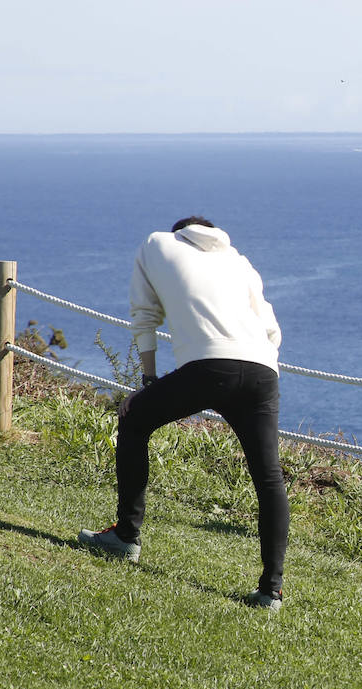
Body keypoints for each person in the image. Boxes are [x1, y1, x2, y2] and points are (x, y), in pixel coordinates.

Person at [79, 216, 289, 610]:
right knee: (269, 477)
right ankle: (271, 591)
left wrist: (149, 379)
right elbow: (271, 329)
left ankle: (125, 538)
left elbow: (144, 314)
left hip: (209, 367)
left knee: (133, 420)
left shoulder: (157, 243)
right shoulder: (239, 260)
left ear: (180, 233)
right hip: (263, 370)